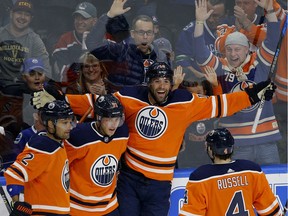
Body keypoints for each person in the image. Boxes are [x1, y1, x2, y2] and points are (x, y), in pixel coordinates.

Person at [31, 61, 277, 216]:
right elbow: (97, 103)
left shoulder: (184, 102)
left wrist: (254, 95)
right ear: (149, 83)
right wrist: (60, 100)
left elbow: (221, 104)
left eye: (166, 81)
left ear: (171, 84)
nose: (162, 86)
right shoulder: (130, 96)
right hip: (129, 178)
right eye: (157, 81)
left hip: (160, 185)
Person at [193, 0, 282, 165]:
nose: (233, 54)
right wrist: (199, 22)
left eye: (237, 49)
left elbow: (274, 37)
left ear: (247, 49)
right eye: (229, 49)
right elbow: (200, 52)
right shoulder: (221, 67)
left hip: (266, 141)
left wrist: (270, 10)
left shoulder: (260, 61)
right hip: (237, 144)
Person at [179, 127, 282, 216]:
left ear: (210, 149)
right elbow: (272, 212)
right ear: (232, 147)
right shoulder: (252, 170)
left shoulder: (200, 177)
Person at [4, 100, 74, 215]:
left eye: (70, 122)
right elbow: (13, 174)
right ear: (51, 124)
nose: (69, 127)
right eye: (65, 123)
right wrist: (17, 205)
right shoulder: (43, 147)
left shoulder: (56, 141)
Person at [65, 94, 129, 215]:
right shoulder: (79, 137)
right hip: (78, 209)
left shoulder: (122, 133)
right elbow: (60, 166)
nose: (114, 125)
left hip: (109, 207)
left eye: (117, 119)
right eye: (109, 119)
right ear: (98, 117)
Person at [86, 0, 159, 87]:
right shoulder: (120, 52)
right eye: (141, 32)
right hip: (122, 98)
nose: (145, 36)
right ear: (132, 34)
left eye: (149, 32)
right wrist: (109, 15)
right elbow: (92, 44)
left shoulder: (160, 57)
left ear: (154, 35)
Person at [0, 0, 51, 86]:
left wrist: (27, 78)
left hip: (24, 90)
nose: (22, 17)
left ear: (31, 18)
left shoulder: (35, 41)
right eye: (19, 13)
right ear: (11, 14)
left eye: (27, 15)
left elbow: (47, 73)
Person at [175, 0, 229, 81]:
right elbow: (181, 61)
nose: (210, 20)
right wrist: (201, 77)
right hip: (199, 83)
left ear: (226, 14)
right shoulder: (190, 31)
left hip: (227, 80)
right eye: (208, 15)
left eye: (216, 16)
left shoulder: (232, 28)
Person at [52, 1, 97, 85]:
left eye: (84, 18)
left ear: (94, 21)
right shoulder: (65, 39)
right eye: (77, 18)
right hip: (73, 90)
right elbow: (62, 74)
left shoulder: (105, 40)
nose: (79, 22)